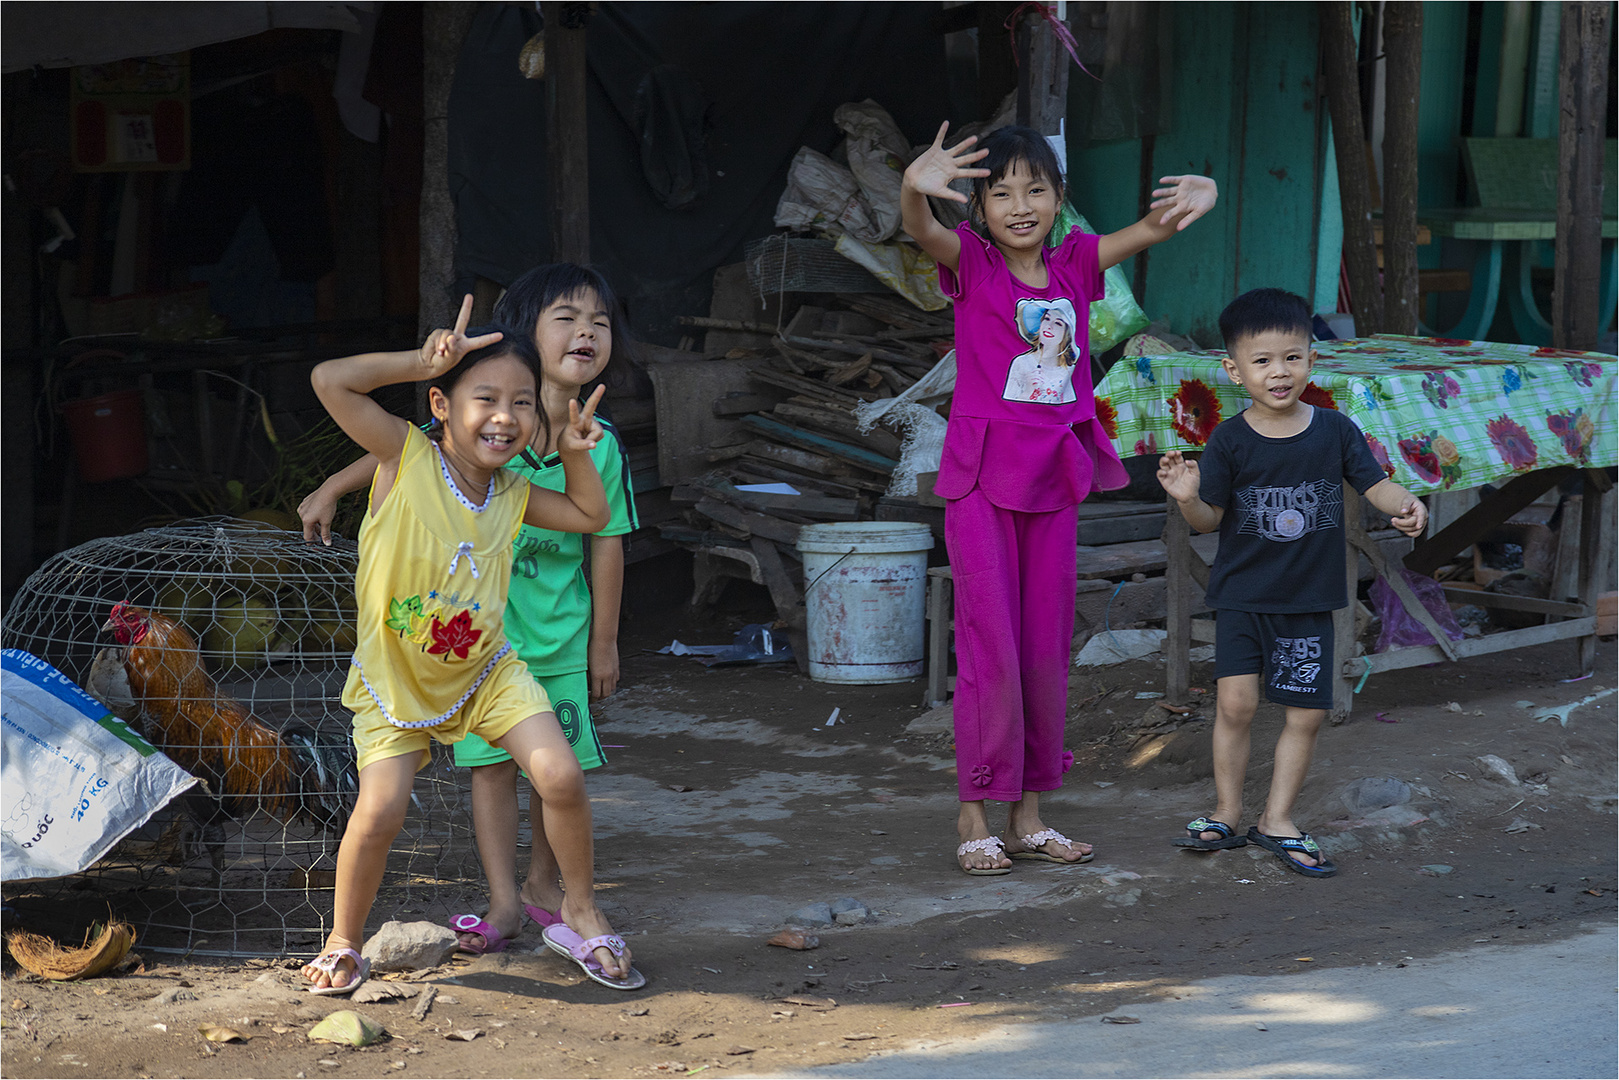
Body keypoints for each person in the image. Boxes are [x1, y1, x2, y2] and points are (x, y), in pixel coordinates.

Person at [900, 122, 1218, 875]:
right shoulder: (972, 262)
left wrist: (1201, 193)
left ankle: (1030, 817)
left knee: (1044, 651)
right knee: (991, 652)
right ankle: (973, 813)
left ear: (1057, 200)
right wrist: (914, 187)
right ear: (977, 207)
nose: (1018, 205)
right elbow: (920, 230)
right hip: (980, 482)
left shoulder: (1075, 261)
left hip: (1053, 481)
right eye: (1000, 192)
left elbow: (1148, 228)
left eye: (1034, 190)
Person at [300, 297, 643, 994]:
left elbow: (588, 514)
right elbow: (330, 381)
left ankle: (578, 907)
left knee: (560, 775)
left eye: (521, 403)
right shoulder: (406, 456)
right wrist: (419, 359)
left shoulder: (513, 491)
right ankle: (343, 939)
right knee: (382, 811)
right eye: (484, 397)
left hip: (487, 672)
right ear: (440, 403)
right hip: (393, 680)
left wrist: (576, 457)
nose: (504, 417)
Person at [1156, 287, 1427, 878]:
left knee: (1304, 715)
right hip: (1243, 598)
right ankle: (1227, 812)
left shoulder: (1334, 430)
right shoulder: (1228, 440)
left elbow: (1375, 485)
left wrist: (1404, 502)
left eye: (1293, 357)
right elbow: (1210, 519)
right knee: (1236, 704)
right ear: (1234, 370)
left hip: (1310, 600)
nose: (1279, 372)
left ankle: (1277, 820)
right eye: (1262, 361)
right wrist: (1187, 499)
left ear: (1311, 358)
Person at [1002, 298, 1080, 404]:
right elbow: (1006, 405)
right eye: (1047, 319)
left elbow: (1070, 406)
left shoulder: (1068, 368)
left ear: (1067, 334)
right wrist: (1028, 391)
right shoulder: (1021, 362)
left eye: (1058, 323)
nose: (1049, 326)